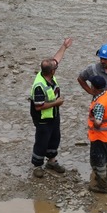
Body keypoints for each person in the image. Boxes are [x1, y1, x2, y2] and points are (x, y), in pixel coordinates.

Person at [29, 38, 72, 178]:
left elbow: (56, 59)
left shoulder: (47, 74)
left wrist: (64, 47)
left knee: (55, 137)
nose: (57, 66)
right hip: (43, 117)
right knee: (42, 139)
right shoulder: (39, 86)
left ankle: (52, 161)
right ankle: (37, 165)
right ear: (52, 72)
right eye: (55, 67)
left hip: (53, 114)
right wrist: (56, 103)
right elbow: (38, 107)